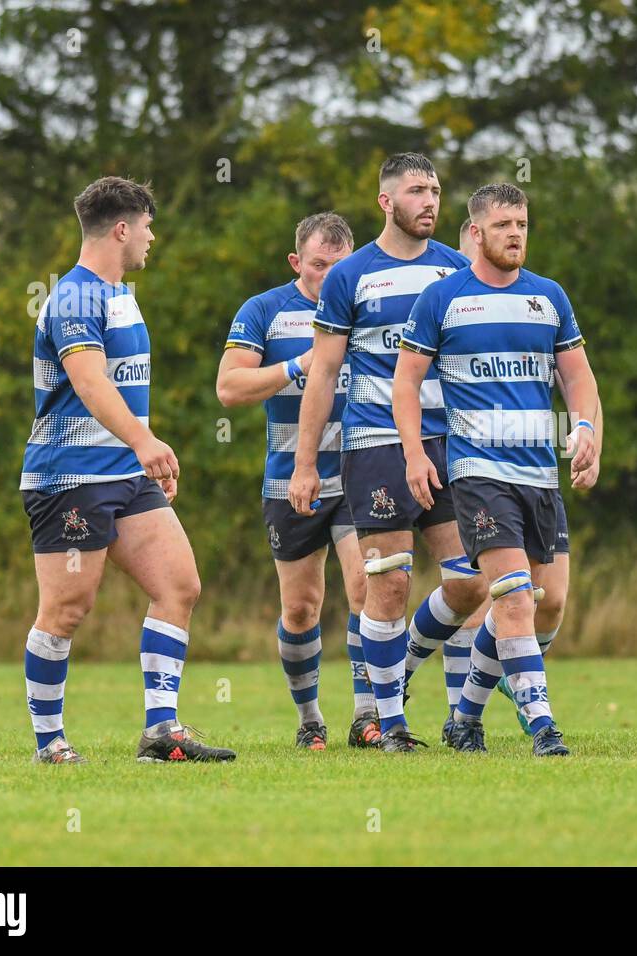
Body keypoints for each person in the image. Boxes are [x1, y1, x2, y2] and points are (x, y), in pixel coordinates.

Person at [20, 176, 236, 764]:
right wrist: (145, 442)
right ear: (122, 228)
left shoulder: (120, 295)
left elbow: (125, 388)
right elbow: (90, 383)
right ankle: (51, 744)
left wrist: (146, 452)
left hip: (125, 474)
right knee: (68, 608)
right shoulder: (75, 297)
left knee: (178, 585)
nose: (152, 237)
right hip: (70, 476)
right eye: (146, 226)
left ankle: (161, 732)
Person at [287, 153, 487, 752]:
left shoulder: (456, 271)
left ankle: (399, 667)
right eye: (417, 191)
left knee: (471, 583)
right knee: (390, 584)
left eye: (435, 190)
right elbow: (322, 375)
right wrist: (303, 463)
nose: (430, 201)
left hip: (446, 447)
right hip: (375, 444)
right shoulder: (350, 276)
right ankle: (393, 722)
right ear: (386, 201)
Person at [395, 182, 602, 756]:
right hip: (478, 474)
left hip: (539, 475)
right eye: (505, 225)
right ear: (477, 232)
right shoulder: (443, 299)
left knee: (547, 601)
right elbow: (406, 383)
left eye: (523, 225)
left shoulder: (549, 297)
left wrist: (585, 431)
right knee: (511, 594)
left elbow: (579, 378)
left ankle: (465, 715)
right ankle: (543, 728)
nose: (516, 234)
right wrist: (414, 453)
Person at [216, 213, 375, 750]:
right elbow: (230, 388)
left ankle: (367, 715)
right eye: (317, 266)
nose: (329, 278)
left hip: (359, 472)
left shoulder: (371, 305)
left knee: (366, 588)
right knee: (301, 606)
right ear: (295, 262)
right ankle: (310, 718)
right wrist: (297, 366)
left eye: (339, 267)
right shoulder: (264, 310)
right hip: (291, 478)